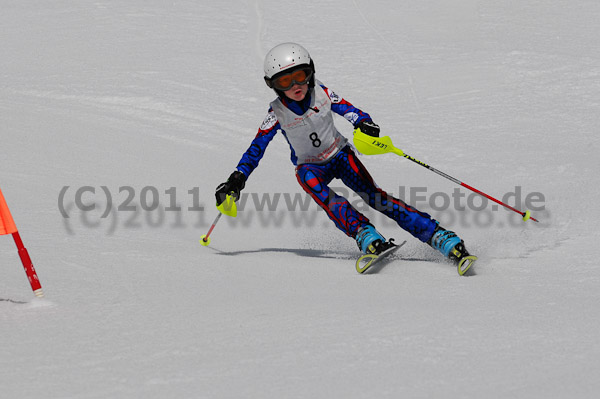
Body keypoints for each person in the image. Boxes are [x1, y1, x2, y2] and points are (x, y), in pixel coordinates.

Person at [215, 42, 474, 267]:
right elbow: (255, 149)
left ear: (311, 72)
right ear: (273, 85)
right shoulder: (276, 113)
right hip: (310, 167)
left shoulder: (323, 93)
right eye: (285, 81)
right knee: (320, 191)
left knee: (376, 197)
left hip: (340, 155)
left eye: (301, 75)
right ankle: (365, 234)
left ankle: (439, 236)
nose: (296, 85)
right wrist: (237, 178)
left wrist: (364, 124)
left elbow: (352, 111)